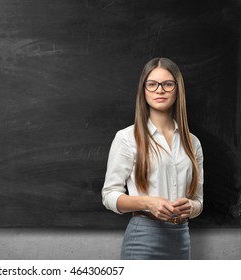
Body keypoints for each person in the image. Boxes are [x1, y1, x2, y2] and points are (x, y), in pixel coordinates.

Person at [102, 57, 204, 260]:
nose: (160, 90)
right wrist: (148, 202)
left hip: (181, 238)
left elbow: (198, 201)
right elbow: (109, 195)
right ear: (144, 90)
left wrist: (191, 207)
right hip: (143, 238)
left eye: (167, 84)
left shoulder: (193, 143)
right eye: (152, 84)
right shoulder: (127, 138)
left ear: (177, 89)